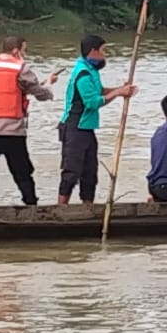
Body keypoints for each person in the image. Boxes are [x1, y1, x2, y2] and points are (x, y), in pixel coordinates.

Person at [0, 35, 59, 206]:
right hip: (13, 133)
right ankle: (31, 207)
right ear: (16, 51)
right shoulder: (22, 68)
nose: (25, 55)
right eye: (24, 50)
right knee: (23, 174)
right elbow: (41, 94)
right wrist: (49, 84)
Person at [57, 34, 137, 205]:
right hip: (74, 127)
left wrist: (121, 89)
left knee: (89, 172)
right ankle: (61, 207)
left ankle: (88, 207)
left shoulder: (91, 71)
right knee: (71, 171)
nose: (104, 54)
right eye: (103, 50)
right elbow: (92, 102)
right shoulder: (83, 73)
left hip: (87, 128)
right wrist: (118, 93)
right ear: (93, 51)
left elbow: (99, 91)